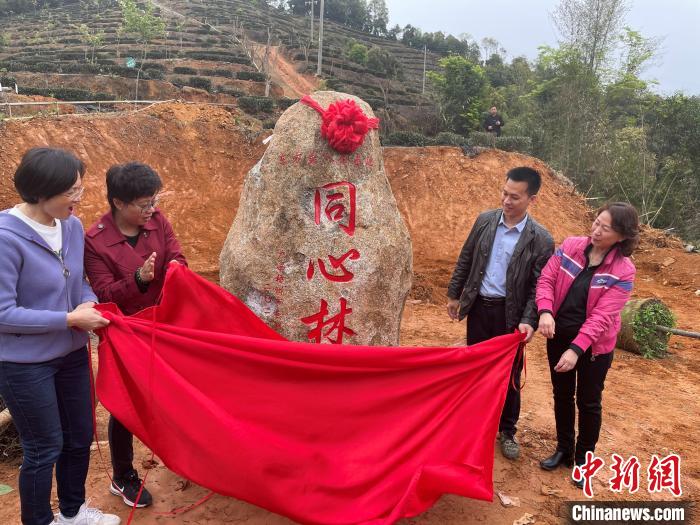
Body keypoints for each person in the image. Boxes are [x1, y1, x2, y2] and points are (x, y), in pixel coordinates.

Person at [0, 147, 120, 525]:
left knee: (79, 436)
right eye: (70, 192)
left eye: (80, 189)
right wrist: (69, 319)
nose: (78, 199)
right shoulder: (6, 238)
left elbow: (80, 284)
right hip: (24, 362)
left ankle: (72, 512)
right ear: (40, 193)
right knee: (44, 446)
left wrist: (88, 304)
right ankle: (38, 521)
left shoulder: (70, 226)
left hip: (71, 354)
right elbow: (3, 313)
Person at [84, 162, 187, 508]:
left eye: (154, 201)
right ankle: (123, 475)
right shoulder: (95, 241)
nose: (152, 209)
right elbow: (104, 293)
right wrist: (139, 280)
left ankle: (186, 456)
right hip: (126, 332)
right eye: (144, 204)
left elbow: (176, 252)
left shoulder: (157, 221)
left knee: (177, 390)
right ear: (118, 202)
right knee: (126, 404)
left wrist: (176, 267)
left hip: (166, 323)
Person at [447, 167, 554, 460]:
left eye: (515, 197)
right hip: (480, 307)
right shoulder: (485, 221)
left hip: (511, 317)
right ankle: (473, 424)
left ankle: (507, 431)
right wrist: (455, 295)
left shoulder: (540, 239)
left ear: (531, 199)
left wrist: (528, 320)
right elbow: (466, 257)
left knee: (509, 374)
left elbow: (538, 285)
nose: (507, 201)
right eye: (505, 193)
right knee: (475, 367)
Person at [535, 203, 638, 488]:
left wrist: (576, 349)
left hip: (593, 348)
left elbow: (603, 317)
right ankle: (564, 450)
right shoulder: (570, 246)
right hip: (559, 335)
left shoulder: (623, 271)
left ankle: (584, 462)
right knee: (562, 394)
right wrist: (544, 311)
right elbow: (546, 279)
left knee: (588, 402)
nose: (596, 230)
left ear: (621, 236)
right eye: (596, 222)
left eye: (605, 228)